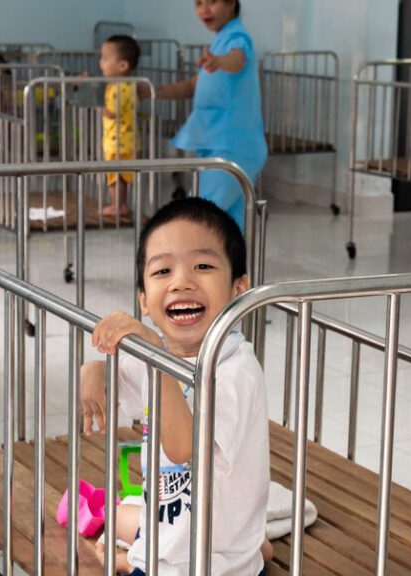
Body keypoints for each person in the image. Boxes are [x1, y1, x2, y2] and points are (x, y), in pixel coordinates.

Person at [80, 198, 270, 575]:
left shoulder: (236, 371)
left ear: (239, 289)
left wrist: (153, 354)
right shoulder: (163, 359)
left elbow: (184, 447)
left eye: (202, 266)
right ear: (144, 301)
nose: (182, 281)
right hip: (164, 548)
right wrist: (95, 370)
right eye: (163, 270)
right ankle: (119, 541)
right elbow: (118, 384)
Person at [143, 0, 266, 232]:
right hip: (219, 144)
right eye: (198, 3)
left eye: (212, 2)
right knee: (228, 227)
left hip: (233, 146)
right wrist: (151, 92)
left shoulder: (237, 37)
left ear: (231, 4)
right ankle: (233, 267)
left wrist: (219, 61)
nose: (204, 9)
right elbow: (193, 86)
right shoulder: (219, 41)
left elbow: (237, 60)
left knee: (199, 216)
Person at [99, 34, 142, 226]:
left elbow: (113, 111)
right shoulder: (129, 85)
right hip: (126, 139)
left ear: (123, 66)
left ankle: (118, 205)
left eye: (105, 58)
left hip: (118, 140)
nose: (101, 63)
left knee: (115, 175)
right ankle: (120, 203)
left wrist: (103, 111)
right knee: (120, 175)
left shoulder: (119, 87)